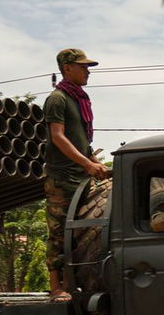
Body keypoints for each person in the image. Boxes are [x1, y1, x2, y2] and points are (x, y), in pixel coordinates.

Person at [42, 48, 112, 301]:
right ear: (67, 67)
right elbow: (58, 137)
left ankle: (76, 282)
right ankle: (55, 287)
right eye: (83, 66)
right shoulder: (58, 98)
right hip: (62, 178)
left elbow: (80, 140)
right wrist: (86, 164)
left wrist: (94, 162)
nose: (88, 71)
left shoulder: (79, 99)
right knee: (59, 232)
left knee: (82, 231)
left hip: (81, 176)